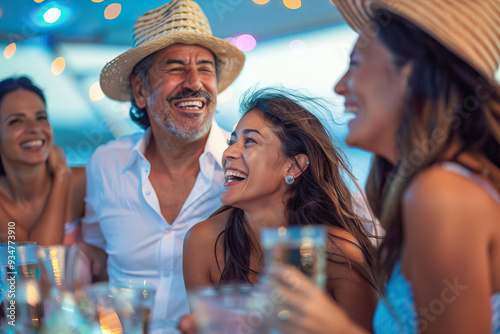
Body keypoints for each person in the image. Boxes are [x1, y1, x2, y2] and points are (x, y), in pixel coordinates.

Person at [266, 0, 500, 333]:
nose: (340, 85)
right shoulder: (452, 183)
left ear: (411, 72)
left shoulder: (441, 194)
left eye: (356, 63)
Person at [81, 0, 245, 330]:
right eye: (174, 67)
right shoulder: (106, 163)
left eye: (206, 68)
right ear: (140, 92)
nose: (195, 82)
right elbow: (93, 258)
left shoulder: (246, 164)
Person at [182, 87, 379, 331]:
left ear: (294, 166)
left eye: (250, 141)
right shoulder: (202, 242)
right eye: (232, 141)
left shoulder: (338, 252)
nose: (228, 153)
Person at [0, 76, 85, 246]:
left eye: (41, 117)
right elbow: (40, 263)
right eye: (16, 121)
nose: (35, 128)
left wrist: (63, 174)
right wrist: (61, 177)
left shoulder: (84, 182)